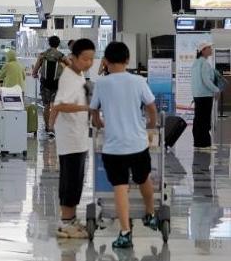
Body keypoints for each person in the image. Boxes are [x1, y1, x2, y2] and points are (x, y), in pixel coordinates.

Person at [89, 41, 159, 249]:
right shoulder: (139, 81)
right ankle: (150, 213)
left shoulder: (101, 83)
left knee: (120, 187)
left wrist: (99, 123)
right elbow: (152, 108)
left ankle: (125, 232)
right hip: (138, 144)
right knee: (143, 178)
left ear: (106, 61)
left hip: (113, 147)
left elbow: (94, 112)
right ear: (127, 60)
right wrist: (150, 128)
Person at [48, 39, 95, 239]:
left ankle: (71, 219)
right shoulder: (68, 77)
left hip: (78, 136)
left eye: (91, 59)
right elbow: (59, 105)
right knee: (70, 180)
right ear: (73, 57)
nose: (89, 63)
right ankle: (66, 222)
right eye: (85, 59)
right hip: (70, 138)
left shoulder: (79, 75)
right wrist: (87, 108)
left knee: (76, 180)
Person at [33, 35, 67, 139]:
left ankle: (47, 127)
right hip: (57, 84)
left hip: (45, 84)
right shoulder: (61, 56)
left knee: (46, 106)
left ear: (49, 43)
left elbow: (35, 70)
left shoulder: (43, 55)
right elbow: (70, 66)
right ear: (58, 44)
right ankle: (53, 127)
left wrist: (35, 73)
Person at [191, 42, 220, 150]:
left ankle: (198, 143)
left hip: (198, 95)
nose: (211, 49)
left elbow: (195, 81)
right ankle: (205, 144)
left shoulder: (196, 63)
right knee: (204, 120)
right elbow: (206, 80)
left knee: (198, 120)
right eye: (209, 48)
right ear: (203, 50)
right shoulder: (204, 63)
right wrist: (216, 89)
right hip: (205, 95)